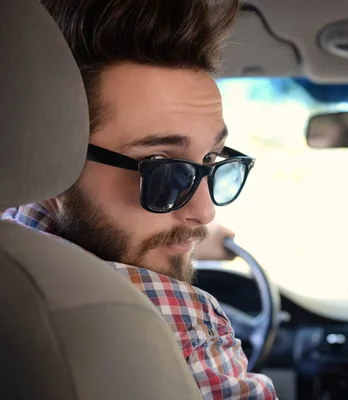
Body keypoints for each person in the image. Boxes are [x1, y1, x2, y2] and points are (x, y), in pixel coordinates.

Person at [1, 0, 277, 399]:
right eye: (161, 167)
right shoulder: (178, 324)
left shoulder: (18, 235)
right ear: (60, 161)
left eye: (211, 159)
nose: (204, 211)